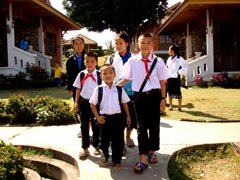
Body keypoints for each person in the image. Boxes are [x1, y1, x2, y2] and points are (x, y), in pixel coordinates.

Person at [118, 33, 169, 174]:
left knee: (154, 126)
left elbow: (162, 81)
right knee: (141, 127)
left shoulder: (159, 61)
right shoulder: (132, 62)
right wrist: (113, 86)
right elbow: (126, 79)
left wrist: (163, 99)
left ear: (153, 45)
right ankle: (143, 157)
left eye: (148, 43)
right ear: (137, 45)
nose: (145, 45)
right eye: (142, 42)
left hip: (154, 96)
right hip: (139, 97)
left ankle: (151, 151)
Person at [89, 64, 131, 169]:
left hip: (117, 119)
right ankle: (105, 157)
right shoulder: (98, 89)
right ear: (101, 76)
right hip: (104, 119)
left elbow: (125, 102)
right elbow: (92, 104)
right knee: (103, 140)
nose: (108, 75)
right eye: (105, 73)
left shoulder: (119, 89)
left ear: (115, 74)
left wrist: (128, 116)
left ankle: (117, 160)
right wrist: (97, 117)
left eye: (110, 73)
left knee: (118, 141)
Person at [105, 33, 137, 150]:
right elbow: (106, 74)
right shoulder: (111, 58)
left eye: (121, 43)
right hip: (116, 92)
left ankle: (128, 137)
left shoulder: (134, 58)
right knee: (119, 118)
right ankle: (121, 142)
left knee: (131, 117)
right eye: (116, 43)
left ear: (127, 44)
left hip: (132, 92)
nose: (118, 46)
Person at [73, 52, 101, 159]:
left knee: (96, 126)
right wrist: (76, 102)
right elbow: (78, 89)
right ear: (84, 62)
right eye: (87, 61)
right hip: (84, 103)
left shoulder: (99, 75)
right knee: (84, 126)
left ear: (96, 62)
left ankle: (96, 146)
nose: (90, 64)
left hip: (95, 104)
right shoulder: (81, 74)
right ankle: (85, 148)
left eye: (92, 62)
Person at [66, 36, 86, 138]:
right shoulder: (70, 59)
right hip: (75, 88)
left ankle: (88, 131)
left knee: (89, 109)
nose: (79, 45)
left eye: (80, 43)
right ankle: (82, 129)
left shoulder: (89, 57)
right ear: (73, 45)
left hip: (88, 88)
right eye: (76, 43)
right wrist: (69, 87)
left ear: (84, 44)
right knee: (78, 108)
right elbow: (69, 75)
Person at [166, 45, 188, 112]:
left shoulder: (179, 58)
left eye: (169, 50)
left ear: (172, 51)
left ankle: (179, 107)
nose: (168, 51)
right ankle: (171, 106)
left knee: (178, 92)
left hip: (176, 77)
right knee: (169, 92)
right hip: (169, 77)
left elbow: (185, 66)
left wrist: (179, 72)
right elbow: (166, 67)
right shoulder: (169, 59)